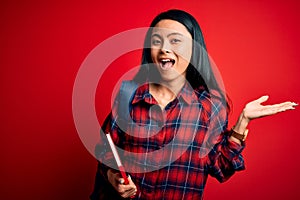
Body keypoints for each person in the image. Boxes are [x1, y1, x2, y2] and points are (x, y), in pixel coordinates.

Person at [90, 9, 297, 200]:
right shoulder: (129, 95)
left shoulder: (210, 105)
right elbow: (105, 151)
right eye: (156, 41)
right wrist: (113, 176)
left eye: (175, 41)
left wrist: (242, 123)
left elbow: (220, 168)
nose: (164, 49)